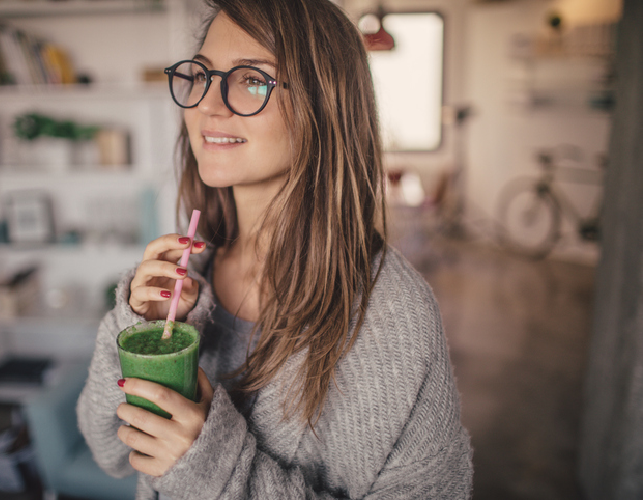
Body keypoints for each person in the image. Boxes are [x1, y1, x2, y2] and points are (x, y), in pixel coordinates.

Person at [77, 0, 473, 498]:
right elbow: (108, 450)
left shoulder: (393, 316)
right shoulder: (183, 278)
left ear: (325, 105)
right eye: (202, 76)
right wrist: (142, 333)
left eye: (251, 80)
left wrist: (212, 468)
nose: (208, 105)